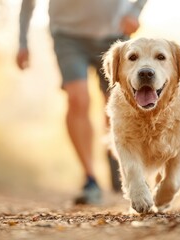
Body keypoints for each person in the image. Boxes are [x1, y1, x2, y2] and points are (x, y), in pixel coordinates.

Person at [16, 0, 147, 204]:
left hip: (115, 34)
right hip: (68, 35)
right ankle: (91, 179)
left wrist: (135, 10)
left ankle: (118, 160)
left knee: (118, 105)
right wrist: (23, 42)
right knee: (78, 99)